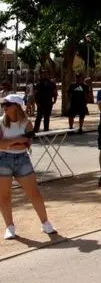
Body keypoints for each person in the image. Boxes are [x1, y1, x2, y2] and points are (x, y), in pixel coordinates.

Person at [0, 94, 56, 239]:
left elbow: (26, 144)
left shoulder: (26, 123)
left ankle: (45, 223)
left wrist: (9, 142)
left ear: (16, 107)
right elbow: (1, 145)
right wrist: (17, 140)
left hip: (22, 159)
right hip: (3, 159)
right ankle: (10, 227)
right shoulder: (1, 122)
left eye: (7, 105)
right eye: (3, 105)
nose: (4, 107)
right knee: (4, 196)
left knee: (34, 193)